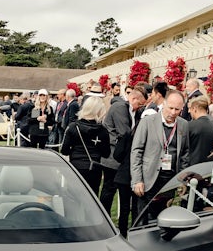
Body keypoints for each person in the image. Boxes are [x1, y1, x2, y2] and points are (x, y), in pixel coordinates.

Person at [129, 91, 201, 222]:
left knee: (163, 216)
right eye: (170, 108)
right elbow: (136, 151)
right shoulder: (147, 122)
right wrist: (137, 180)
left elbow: (184, 153)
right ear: (164, 104)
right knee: (142, 218)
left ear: (182, 109)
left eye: (177, 109)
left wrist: (183, 179)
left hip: (169, 180)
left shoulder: (184, 125)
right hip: (148, 178)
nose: (173, 112)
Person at [100, 84, 144, 236]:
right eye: (140, 103)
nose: (140, 107)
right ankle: (103, 219)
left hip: (122, 157)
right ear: (133, 98)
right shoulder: (120, 108)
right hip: (112, 156)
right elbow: (125, 132)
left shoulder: (133, 111)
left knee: (116, 192)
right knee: (108, 190)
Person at [60, 95, 112, 193]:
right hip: (94, 168)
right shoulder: (103, 131)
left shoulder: (73, 127)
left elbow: (64, 150)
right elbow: (106, 153)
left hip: (76, 166)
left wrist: (74, 151)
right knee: (92, 198)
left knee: (74, 197)